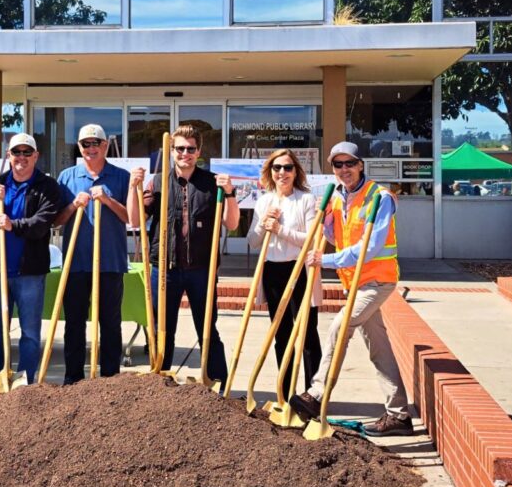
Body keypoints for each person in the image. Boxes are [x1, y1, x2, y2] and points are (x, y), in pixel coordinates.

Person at [290, 141, 414, 437]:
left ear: (360, 165)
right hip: (354, 283)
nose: (344, 170)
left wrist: (326, 259)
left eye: (349, 163)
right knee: (379, 349)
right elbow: (338, 237)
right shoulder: (336, 197)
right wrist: (328, 226)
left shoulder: (379, 198)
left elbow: (370, 247)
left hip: (377, 280)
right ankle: (398, 415)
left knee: (338, 327)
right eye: (337, 165)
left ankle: (316, 393)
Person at [127, 124, 238, 388]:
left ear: (198, 151)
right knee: (162, 329)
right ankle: (160, 383)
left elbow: (231, 224)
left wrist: (230, 193)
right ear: (171, 151)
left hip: (202, 268)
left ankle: (217, 382)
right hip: (164, 267)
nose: (184, 154)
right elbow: (134, 220)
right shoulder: (157, 184)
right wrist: (133, 188)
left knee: (207, 327)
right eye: (179, 149)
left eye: (190, 149)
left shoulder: (212, 184)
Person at [0, 133, 61, 384]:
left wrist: (14, 224)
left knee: (30, 333)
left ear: (36, 156)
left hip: (30, 274)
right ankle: (0, 375)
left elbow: (42, 223)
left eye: (27, 152)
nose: (21, 158)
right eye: (16, 152)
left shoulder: (47, 186)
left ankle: (26, 382)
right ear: (8, 156)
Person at [54, 124, 130, 384]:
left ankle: (110, 380)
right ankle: (73, 380)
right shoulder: (66, 177)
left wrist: (108, 200)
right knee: (74, 323)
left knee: (110, 323)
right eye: (85, 144)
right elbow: (57, 220)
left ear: (105, 146)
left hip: (110, 262)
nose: (90, 148)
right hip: (76, 263)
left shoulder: (121, 177)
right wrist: (74, 205)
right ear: (79, 147)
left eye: (95, 143)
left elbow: (130, 217)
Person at [247, 149, 322, 400]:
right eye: (277, 168)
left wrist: (279, 229)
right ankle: (285, 391)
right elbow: (253, 241)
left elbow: (312, 240)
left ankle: (313, 394)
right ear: (270, 172)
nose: (282, 173)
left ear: (296, 171)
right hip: (273, 271)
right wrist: (262, 223)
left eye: (288, 168)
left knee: (307, 332)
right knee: (281, 333)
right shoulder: (263, 201)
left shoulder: (306, 200)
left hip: (300, 269)